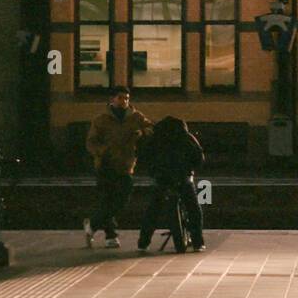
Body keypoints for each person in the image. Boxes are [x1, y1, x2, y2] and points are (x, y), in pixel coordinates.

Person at [84, 86, 152, 248]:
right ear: (112, 99)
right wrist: (102, 152)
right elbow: (91, 142)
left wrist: (142, 133)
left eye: (127, 98)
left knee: (121, 199)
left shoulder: (136, 117)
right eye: (121, 98)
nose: (124, 101)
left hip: (126, 164)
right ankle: (111, 235)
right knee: (107, 199)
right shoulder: (101, 120)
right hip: (106, 165)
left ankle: (92, 224)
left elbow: (150, 128)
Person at [136, 116, 206, 253]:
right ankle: (198, 242)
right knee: (193, 209)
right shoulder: (187, 137)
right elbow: (199, 156)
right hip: (183, 177)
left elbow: (144, 156)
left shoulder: (155, 139)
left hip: (162, 178)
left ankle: (143, 242)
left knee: (153, 210)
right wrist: (191, 170)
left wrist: (153, 173)